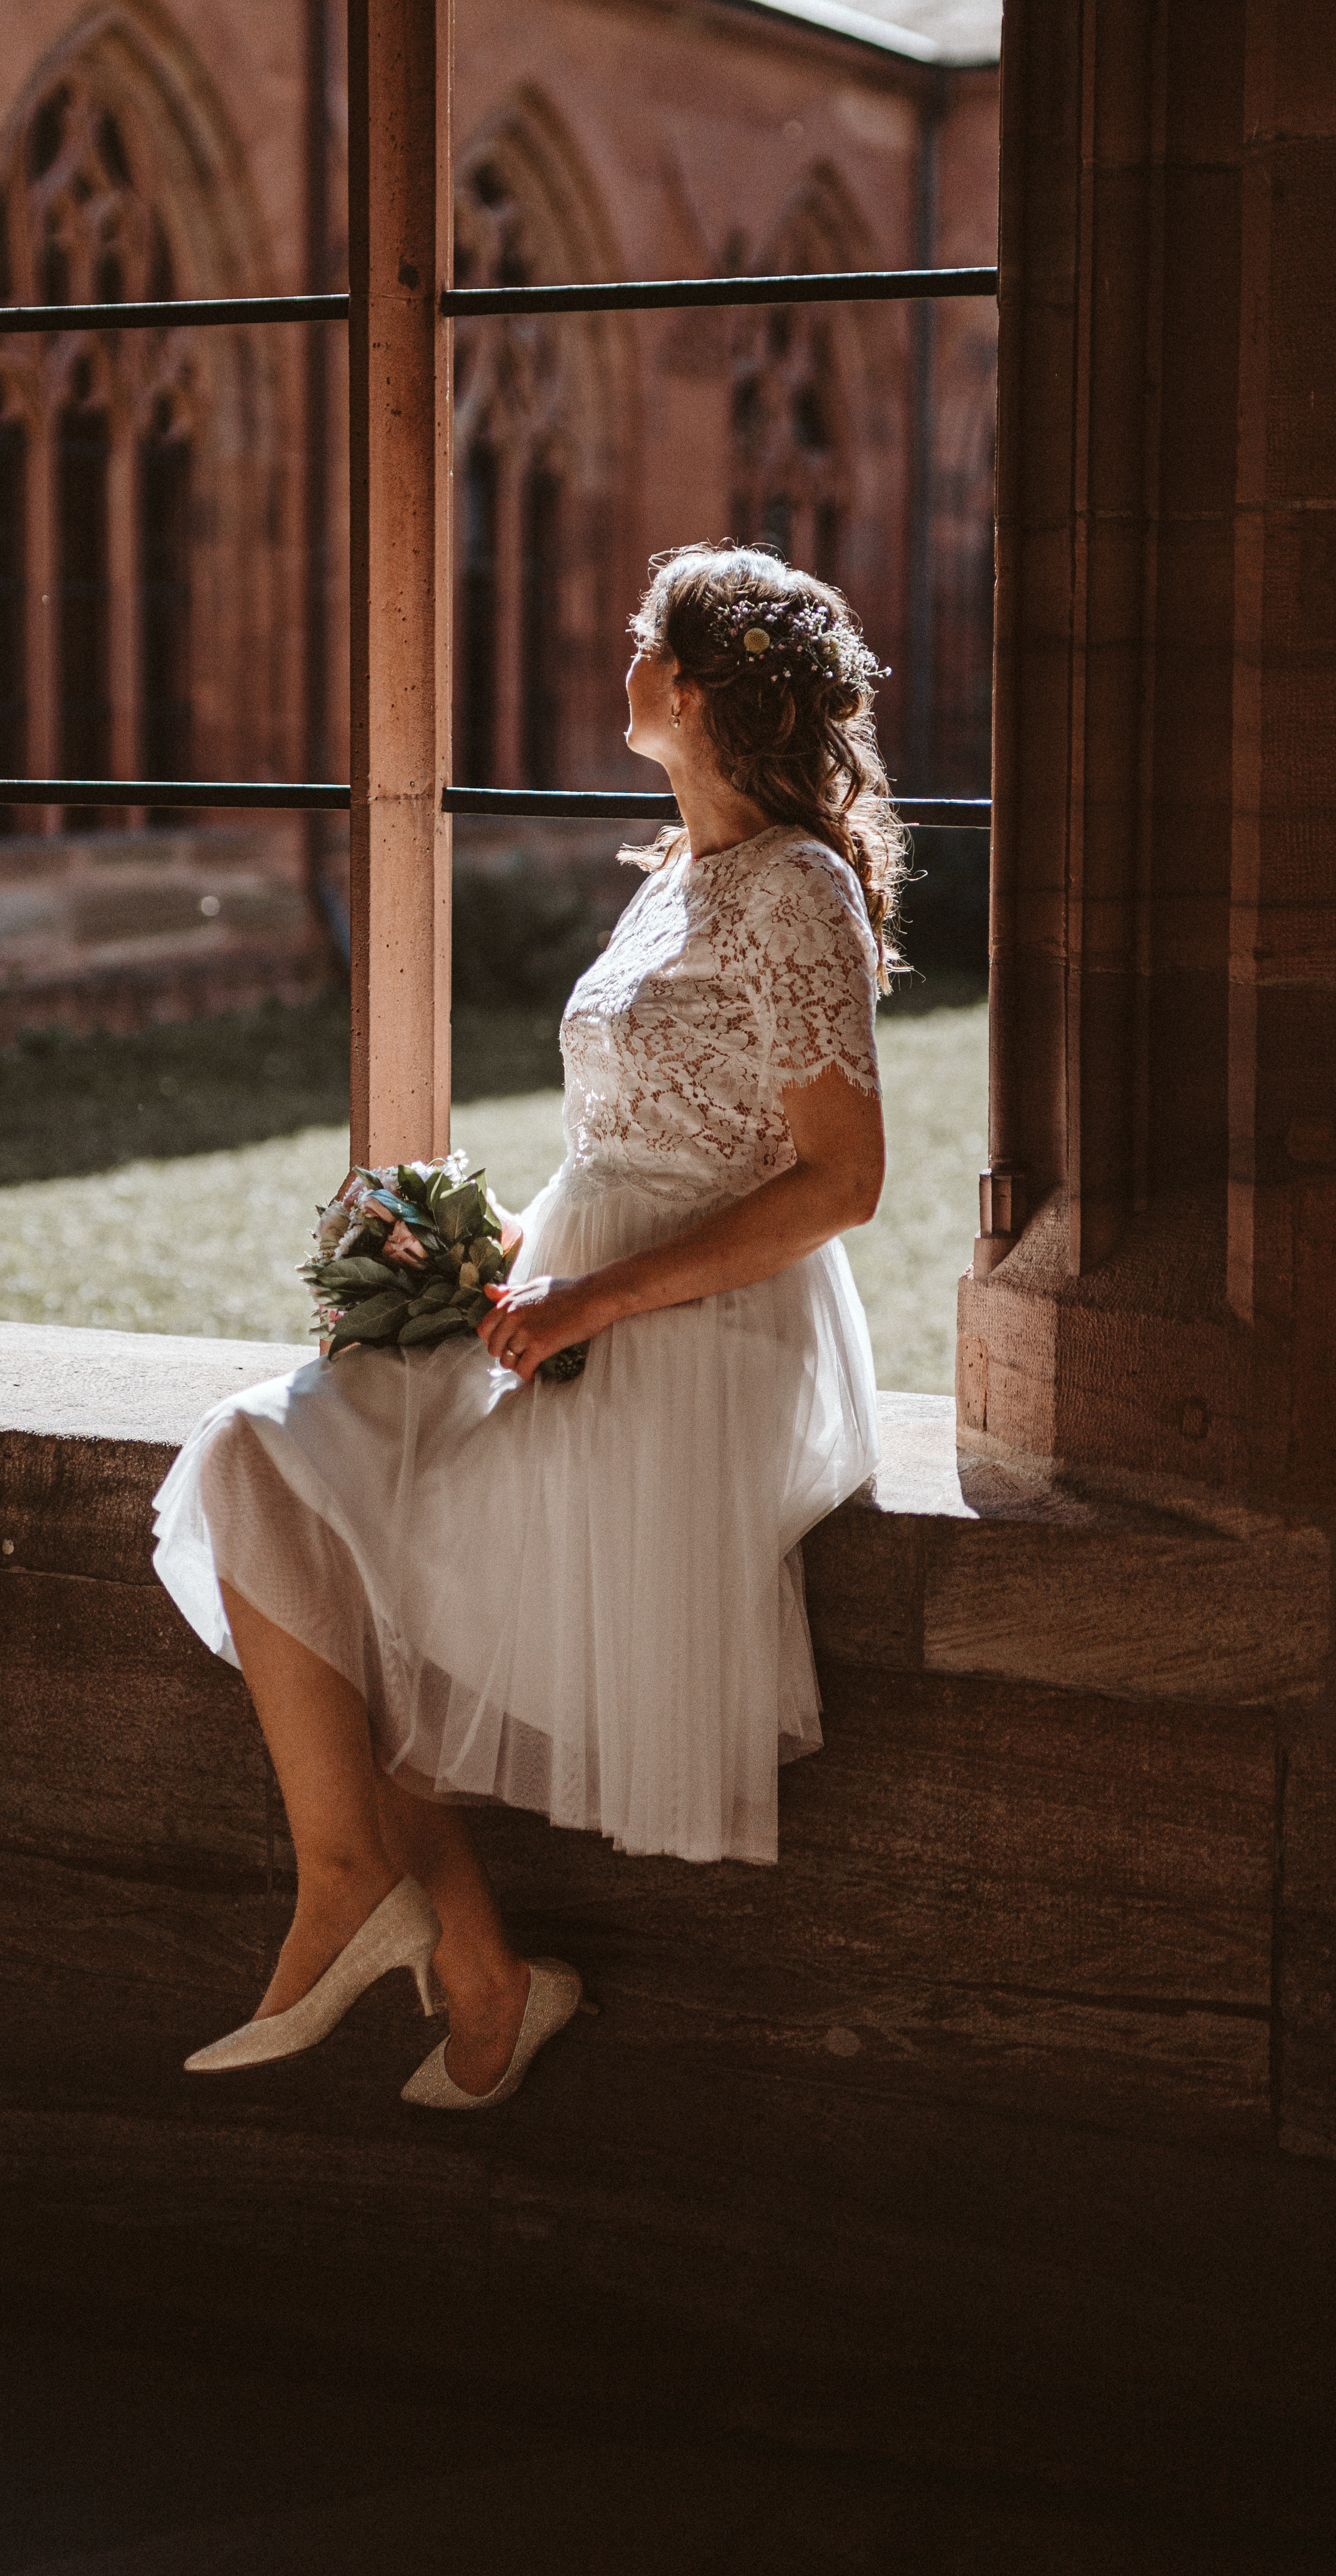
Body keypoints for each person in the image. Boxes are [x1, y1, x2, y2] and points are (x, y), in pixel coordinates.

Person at [151, 542, 902, 2108]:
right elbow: (641, 1133)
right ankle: (392, 1908)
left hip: (692, 1348)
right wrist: (477, 1249)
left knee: (394, 1599)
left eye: (645, 639)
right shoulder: (678, 876)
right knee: (253, 1461)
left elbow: (840, 1180)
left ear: (687, 688)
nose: (620, 655)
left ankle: (450, 1951)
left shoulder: (797, 887)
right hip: (560, 1306)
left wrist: (598, 1294)